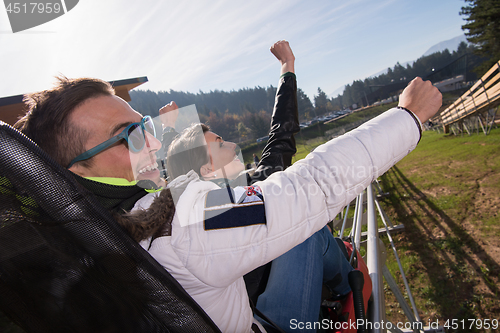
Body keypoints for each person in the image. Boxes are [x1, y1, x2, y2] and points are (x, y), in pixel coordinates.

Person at [14, 39, 442, 333]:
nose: (152, 140)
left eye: (146, 126)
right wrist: (407, 118)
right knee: (306, 228)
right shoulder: (184, 220)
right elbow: (310, 184)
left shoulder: (77, 246)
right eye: (130, 134)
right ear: (78, 171)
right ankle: (346, 283)